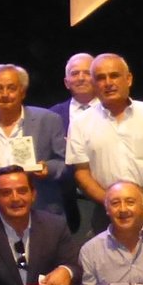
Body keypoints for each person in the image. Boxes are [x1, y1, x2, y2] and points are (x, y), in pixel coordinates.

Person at [67, 52, 143, 231]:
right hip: (107, 212)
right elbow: (81, 172)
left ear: (128, 79)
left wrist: (142, 199)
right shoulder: (80, 123)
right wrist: (111, 202)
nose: (108, 83)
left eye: (114, 76)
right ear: (94, 84)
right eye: (101, 78)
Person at [0, 64, 66, 221]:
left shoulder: (48, 120)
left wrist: (48, 168)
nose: (5, 94)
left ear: (23, 91)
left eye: (11, 88)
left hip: (38, 212)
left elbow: (65, 164)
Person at [50, 52, 100, 235]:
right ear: (66, 82)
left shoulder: (114, 111)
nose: (81, 78)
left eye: (87, 72)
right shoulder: (51, 116)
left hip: (107, 200)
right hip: (66, 206)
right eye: (75, 73)